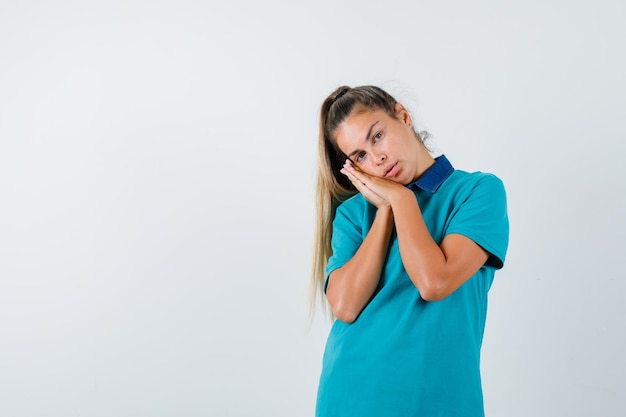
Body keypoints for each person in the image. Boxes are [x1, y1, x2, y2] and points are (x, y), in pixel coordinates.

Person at [310, 85, 509, 417]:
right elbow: (344, 306)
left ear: (402, 115)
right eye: (359, 156)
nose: (376, 158)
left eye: (377, 136)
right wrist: (385, 211)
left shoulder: (476, 192)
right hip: (351, 395)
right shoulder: (353, 215)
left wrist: (402, 199)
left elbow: (435, 282)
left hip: (439, 398)